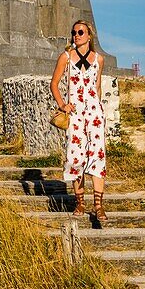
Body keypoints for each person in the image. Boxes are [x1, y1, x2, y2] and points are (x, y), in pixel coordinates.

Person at [50, 20, 107, 222]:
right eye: (74, 32)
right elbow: (54, 84)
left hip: (94, 114)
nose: (77, 35)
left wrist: (99, 109)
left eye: (81, 32)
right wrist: (63, 105)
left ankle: (99, 206)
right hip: (75, 114)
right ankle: (80, 202)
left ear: (89, 35)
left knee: (97, 156)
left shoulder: (99, 59)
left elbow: (97, 86)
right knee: (75, 157)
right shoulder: (65, 58)